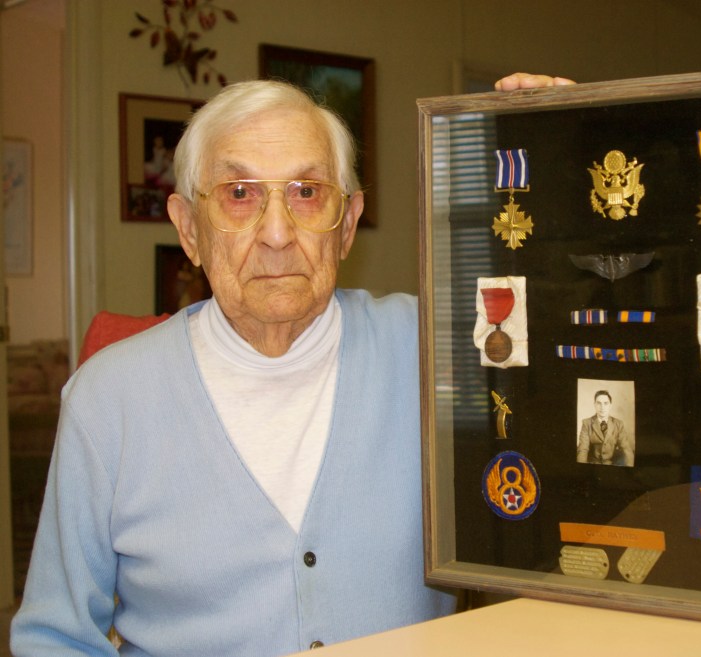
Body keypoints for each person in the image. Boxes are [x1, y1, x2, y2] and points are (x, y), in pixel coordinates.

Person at [11, 72, 573, 656]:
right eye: (239, 194)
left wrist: (563, 144)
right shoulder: (108, 400)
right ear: (188, 229)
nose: (277, 234)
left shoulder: (432, 347)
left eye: (307, 191)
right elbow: (55, 639)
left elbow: (570, 350)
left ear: (347, 223)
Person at [577, 390, 635, 466]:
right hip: (592, 464)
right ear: (594, 405)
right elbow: (583, 449)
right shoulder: (586, 423)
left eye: (606, 403)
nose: (602, 407)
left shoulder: (618, 424)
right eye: (599, 403)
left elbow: (626, 449)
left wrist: (631, 469)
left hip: (612, 464)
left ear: (610, 405)